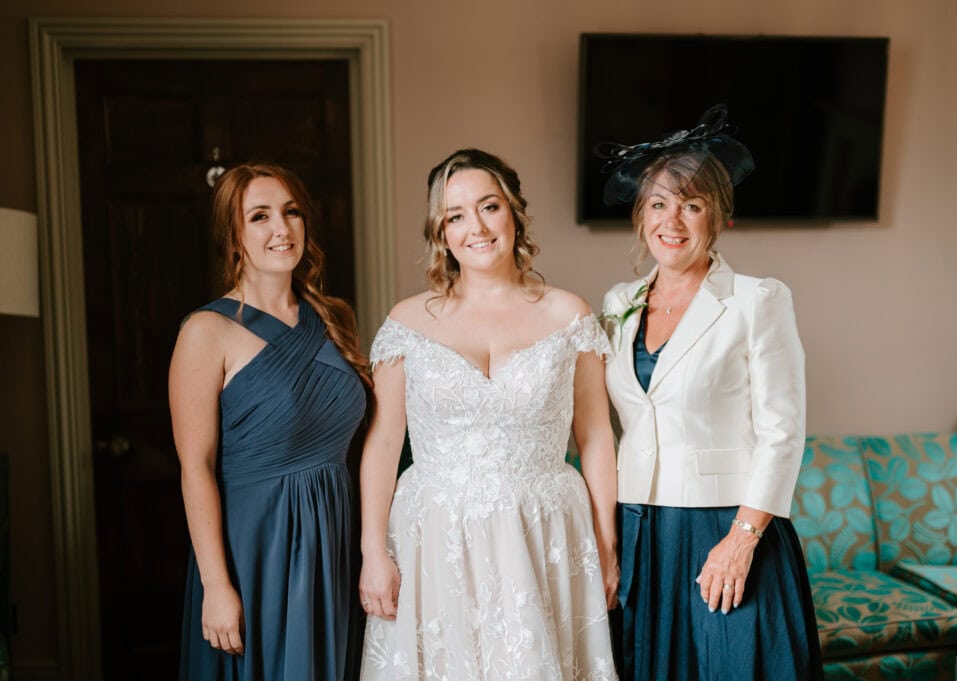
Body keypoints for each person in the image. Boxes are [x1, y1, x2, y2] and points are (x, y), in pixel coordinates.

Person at [358, 149, 619, 680]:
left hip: (543, 533)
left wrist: (606, 545)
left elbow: (595, 438)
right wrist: (372, 552)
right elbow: (384, 445)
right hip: (433, 538)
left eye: (489, 207)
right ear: (442, 232)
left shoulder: (570, 315)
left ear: (514, 213)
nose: (475, 227)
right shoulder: (407, 321)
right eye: (455, 216)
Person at [600, 105, 824, 680]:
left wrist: (742, 540)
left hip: (726, 527)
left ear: (718, 219)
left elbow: (783, 432)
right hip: (641, 529)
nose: (672, 220)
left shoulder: (758, 300)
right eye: (659, 203)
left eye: (692, 205)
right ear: (640, 216)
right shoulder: (616, 305)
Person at [170, 162, 369, 680]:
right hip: (256, 550)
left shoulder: (332, 320)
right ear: (234, 238)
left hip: (334, 541)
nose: (281, 229)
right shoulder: (206, 331)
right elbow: (196, 467)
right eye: (260, 216)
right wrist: (217, 585)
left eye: (291, 212)